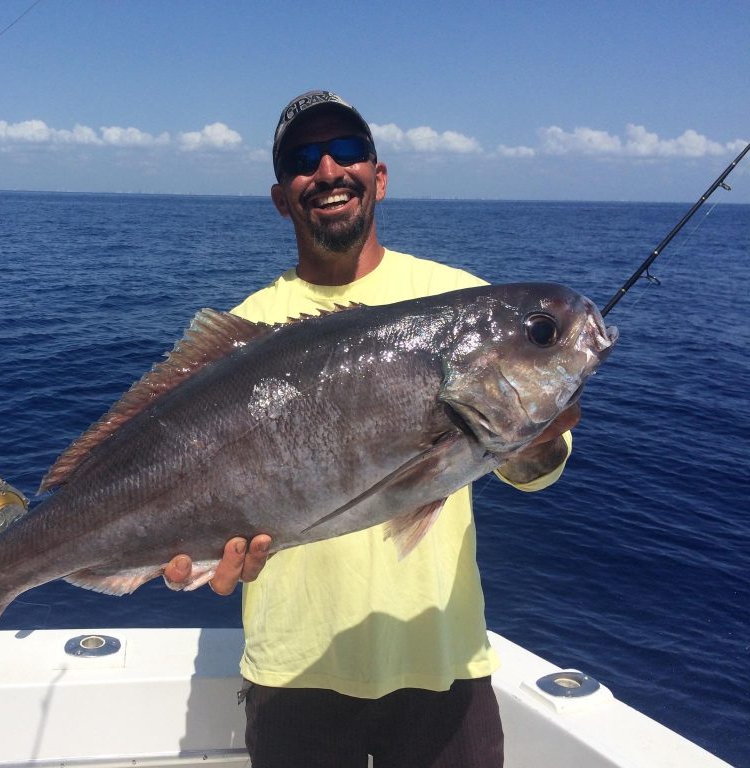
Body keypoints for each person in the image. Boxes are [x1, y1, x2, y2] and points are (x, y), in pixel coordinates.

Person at [165, 90, 578, 768]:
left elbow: (537, 471)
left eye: (347, 150)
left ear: (379, 177)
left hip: (442, 669)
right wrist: (194, 557)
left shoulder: (459, 299)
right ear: (281, 196)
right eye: (303, 158)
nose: (328, 170)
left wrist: (532, 435)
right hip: (293, 677)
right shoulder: (245, 334)